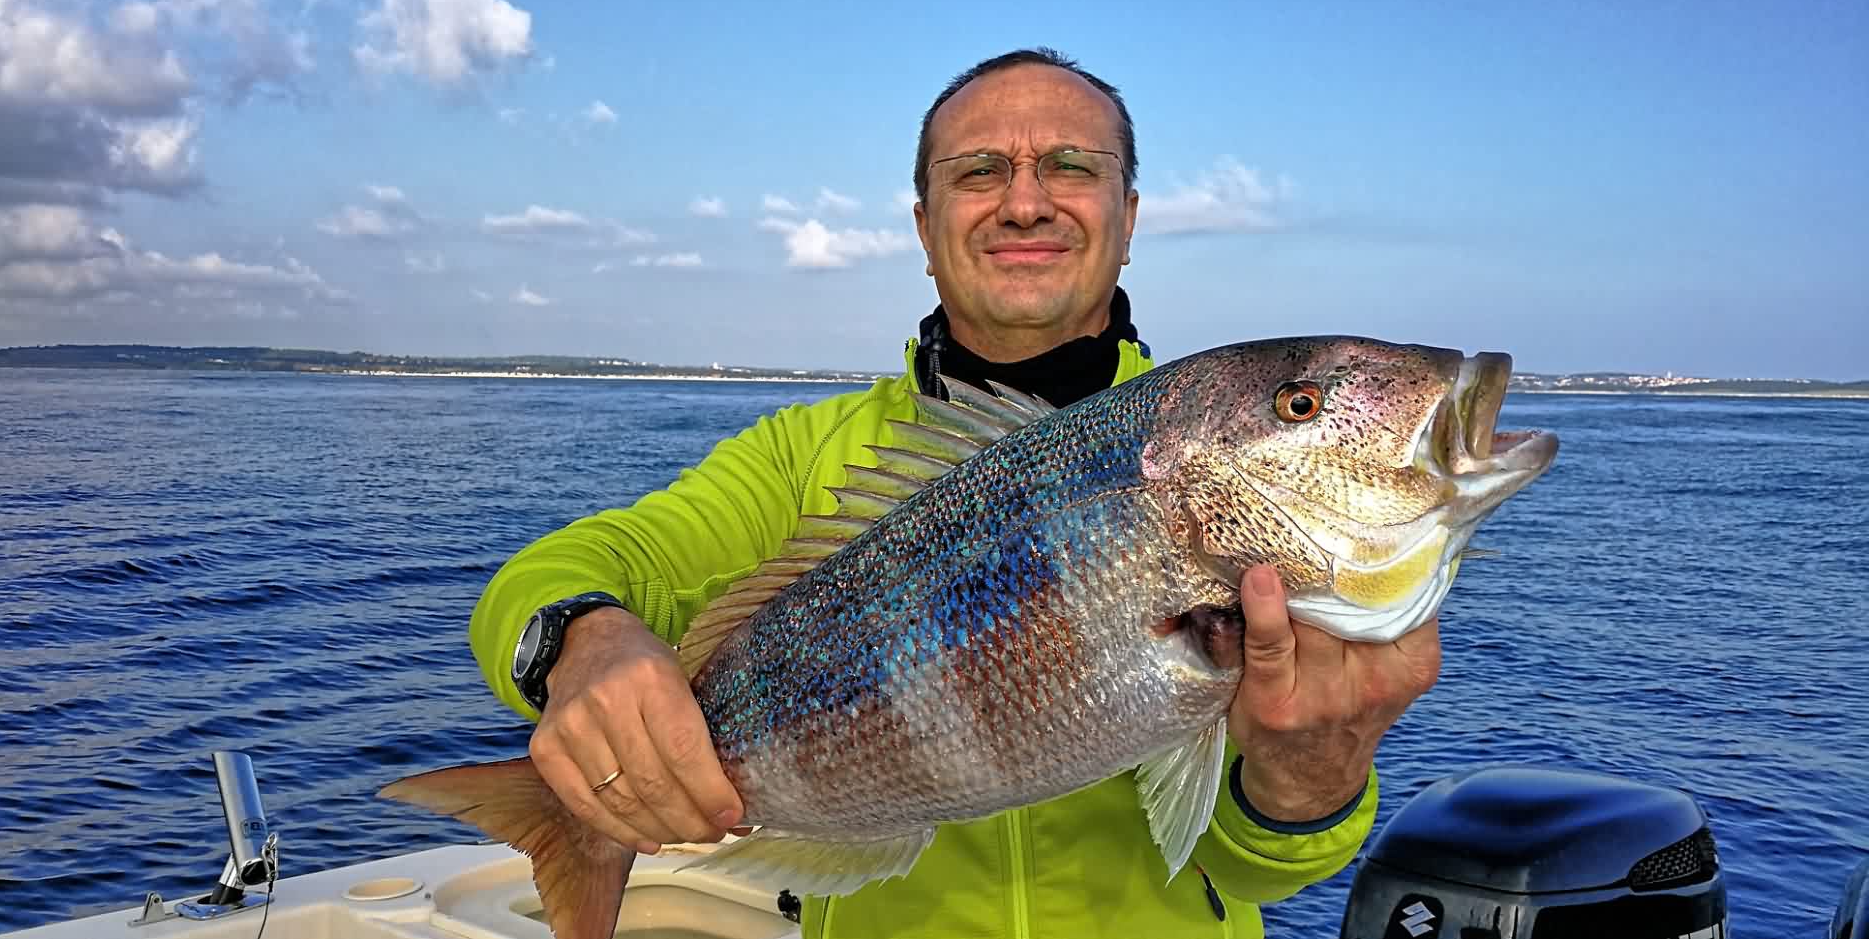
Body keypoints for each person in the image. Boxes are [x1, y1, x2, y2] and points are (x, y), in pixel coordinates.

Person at [467, 47, 1441, 938]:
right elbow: (561, 573)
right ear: (925, 227)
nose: (1026, 202)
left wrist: (1317, 760)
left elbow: (1248, 868)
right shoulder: (808, 457)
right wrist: (581, 637)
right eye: (980, 171)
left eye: (1071, 166)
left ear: (1128, 218)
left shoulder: (1254, 488)